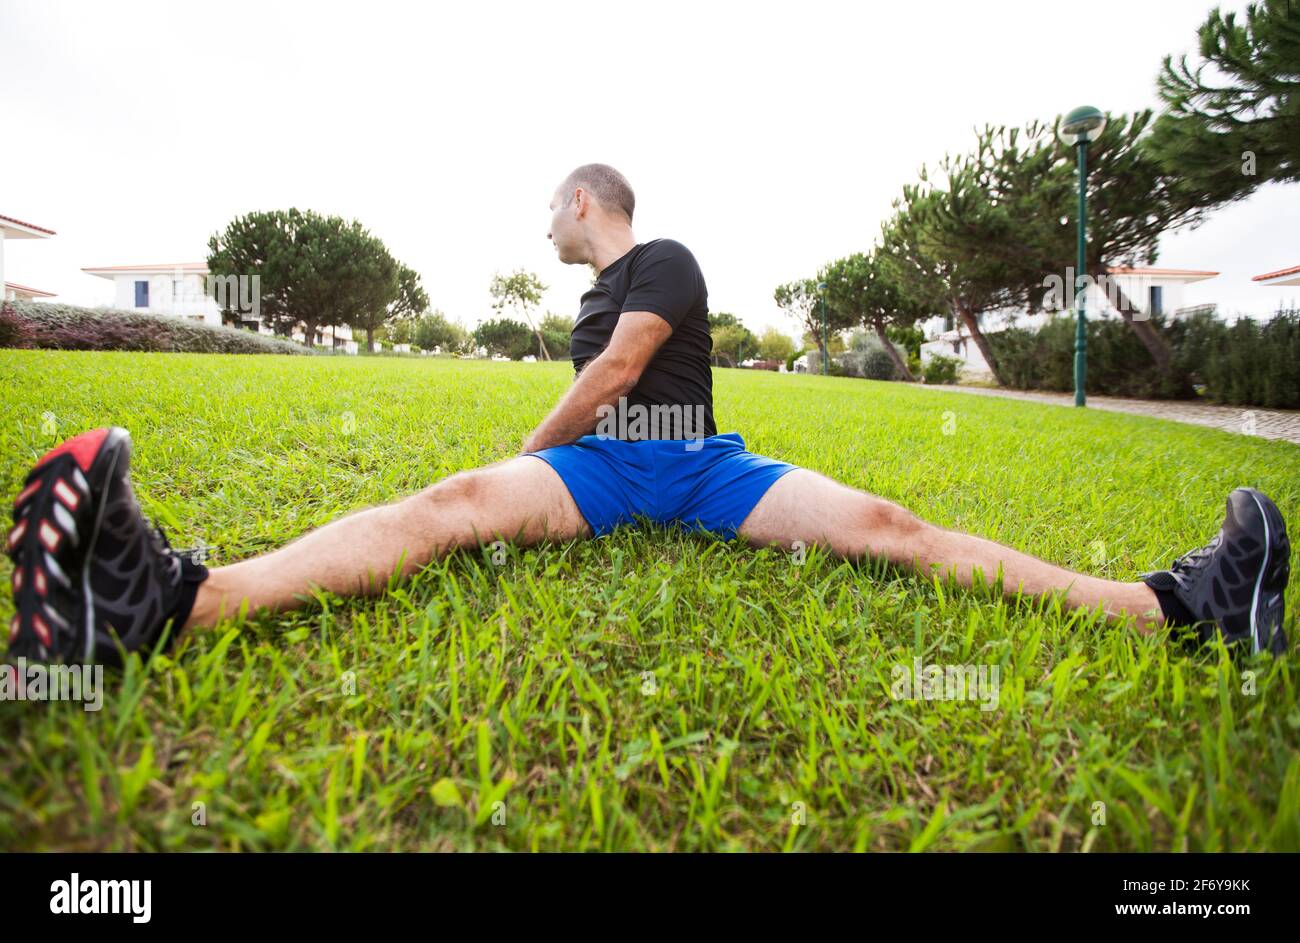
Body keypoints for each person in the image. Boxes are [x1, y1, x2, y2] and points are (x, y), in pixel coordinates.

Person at [5, 163, 1290, 665]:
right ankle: (169, 599)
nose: (543, 231)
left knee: (893, 522)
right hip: (617, 479)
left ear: (583, 202)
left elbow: (619, 372)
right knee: (444, 509)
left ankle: (1180, 607)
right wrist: (535, 468)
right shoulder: (599, 291)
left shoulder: (659, 258)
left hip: (706, 467)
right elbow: (602, 397)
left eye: (547, 214)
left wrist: (530, 445)